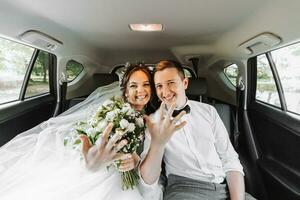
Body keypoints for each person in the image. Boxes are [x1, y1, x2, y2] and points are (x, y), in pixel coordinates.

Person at [0, 64, 153, 200]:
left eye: (146, 84)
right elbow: (95, 140)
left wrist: (135, 160)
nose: (141, 90)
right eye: (134, 85)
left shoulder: (149, 115)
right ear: (125, 91)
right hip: (105, 170)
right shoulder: (112, 111)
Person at [140, 60, 255, 200]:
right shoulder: (153, 122)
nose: (165, 92)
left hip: (223, 187)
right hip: (183, 190)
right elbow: (147, 179)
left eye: (171, 83)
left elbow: (229, 158)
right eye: (159, 86)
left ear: (185, 83)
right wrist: (158, 144)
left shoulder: (209, 111)